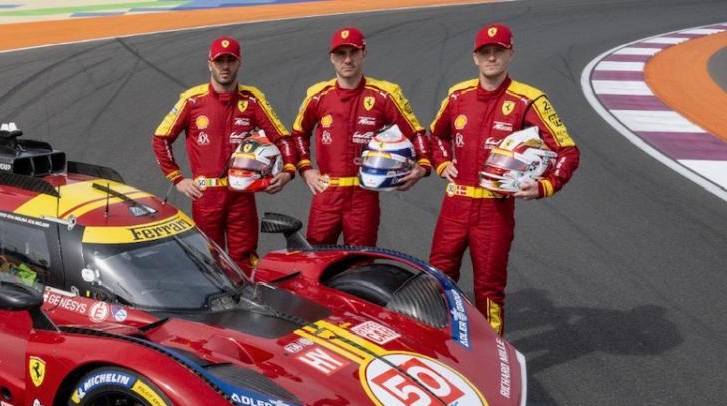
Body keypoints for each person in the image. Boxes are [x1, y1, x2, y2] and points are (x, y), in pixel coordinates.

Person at [428, 23, 580, 334]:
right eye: (486, 51)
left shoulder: (530, 99)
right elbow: (435, 137)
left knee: (489, 290)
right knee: (436, 280)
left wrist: (545, 185)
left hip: (494, 212)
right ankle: (437, 345)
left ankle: (490, 360)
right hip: (454, 206)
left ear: (510, 53)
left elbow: (567, 150)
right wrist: (442, 163)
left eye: (498, 51)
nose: (492, 57)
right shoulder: (458, 95)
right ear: (475, 56)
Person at [153, 36, 296, 270]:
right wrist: (177, 179)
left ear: (239, 63)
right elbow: (161, 138)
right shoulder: (192, 101)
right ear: (210, 63)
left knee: (246, 259)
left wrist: (288, 171)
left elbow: (283, 137)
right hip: (205, 196)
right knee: (209, 262)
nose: (225, 66)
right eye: (220, 61)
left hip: (242, 194)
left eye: (231, 60)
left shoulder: (252, 99)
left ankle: (251, 304)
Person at [292, 26, 432, 247]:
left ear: (363, 54)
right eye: (341, 54)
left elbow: (416, 132)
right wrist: (306, 169)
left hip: (364, 195)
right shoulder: (318, 95)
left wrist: (422, 166)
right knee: (314, 260)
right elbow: (298, 133)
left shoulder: (385, 94)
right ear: (332, 58)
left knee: (362, 263)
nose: (347, 60)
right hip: (327, 193)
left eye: (353, 52)